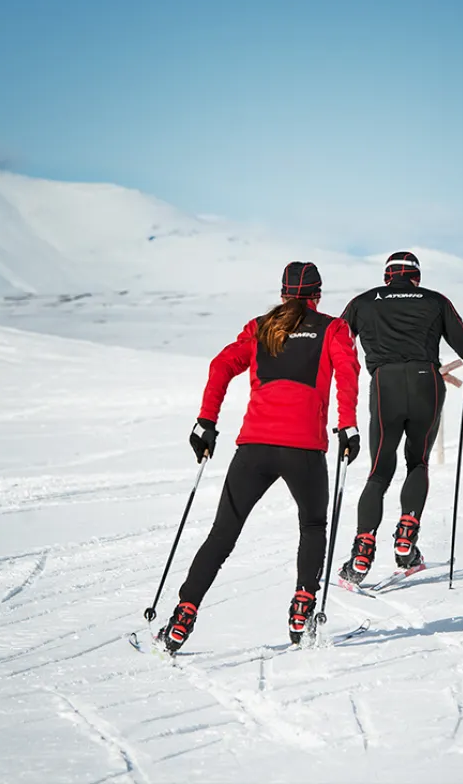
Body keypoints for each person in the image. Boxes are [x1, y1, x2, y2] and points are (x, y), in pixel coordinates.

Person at [157, 261, 361, 653]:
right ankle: (303, 607)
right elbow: (348, 373)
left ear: (283, 293)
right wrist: (347, 426)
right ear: (317, 295)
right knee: (313, 526)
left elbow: (221, 365)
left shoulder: (259, 327)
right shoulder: (333, 328)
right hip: (305, 448)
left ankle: (184, 613)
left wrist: (206, 423)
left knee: (223, 533)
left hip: (255, 447)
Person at [336, 251, 463, 587]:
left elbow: (338, 340)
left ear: (388, 277)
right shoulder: (435, 300)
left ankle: (362, 549)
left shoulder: (363, 301)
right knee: (417, 463)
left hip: (384, 384)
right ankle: (406, 538)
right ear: (416, 277)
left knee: (380, 470)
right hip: (426, 383)